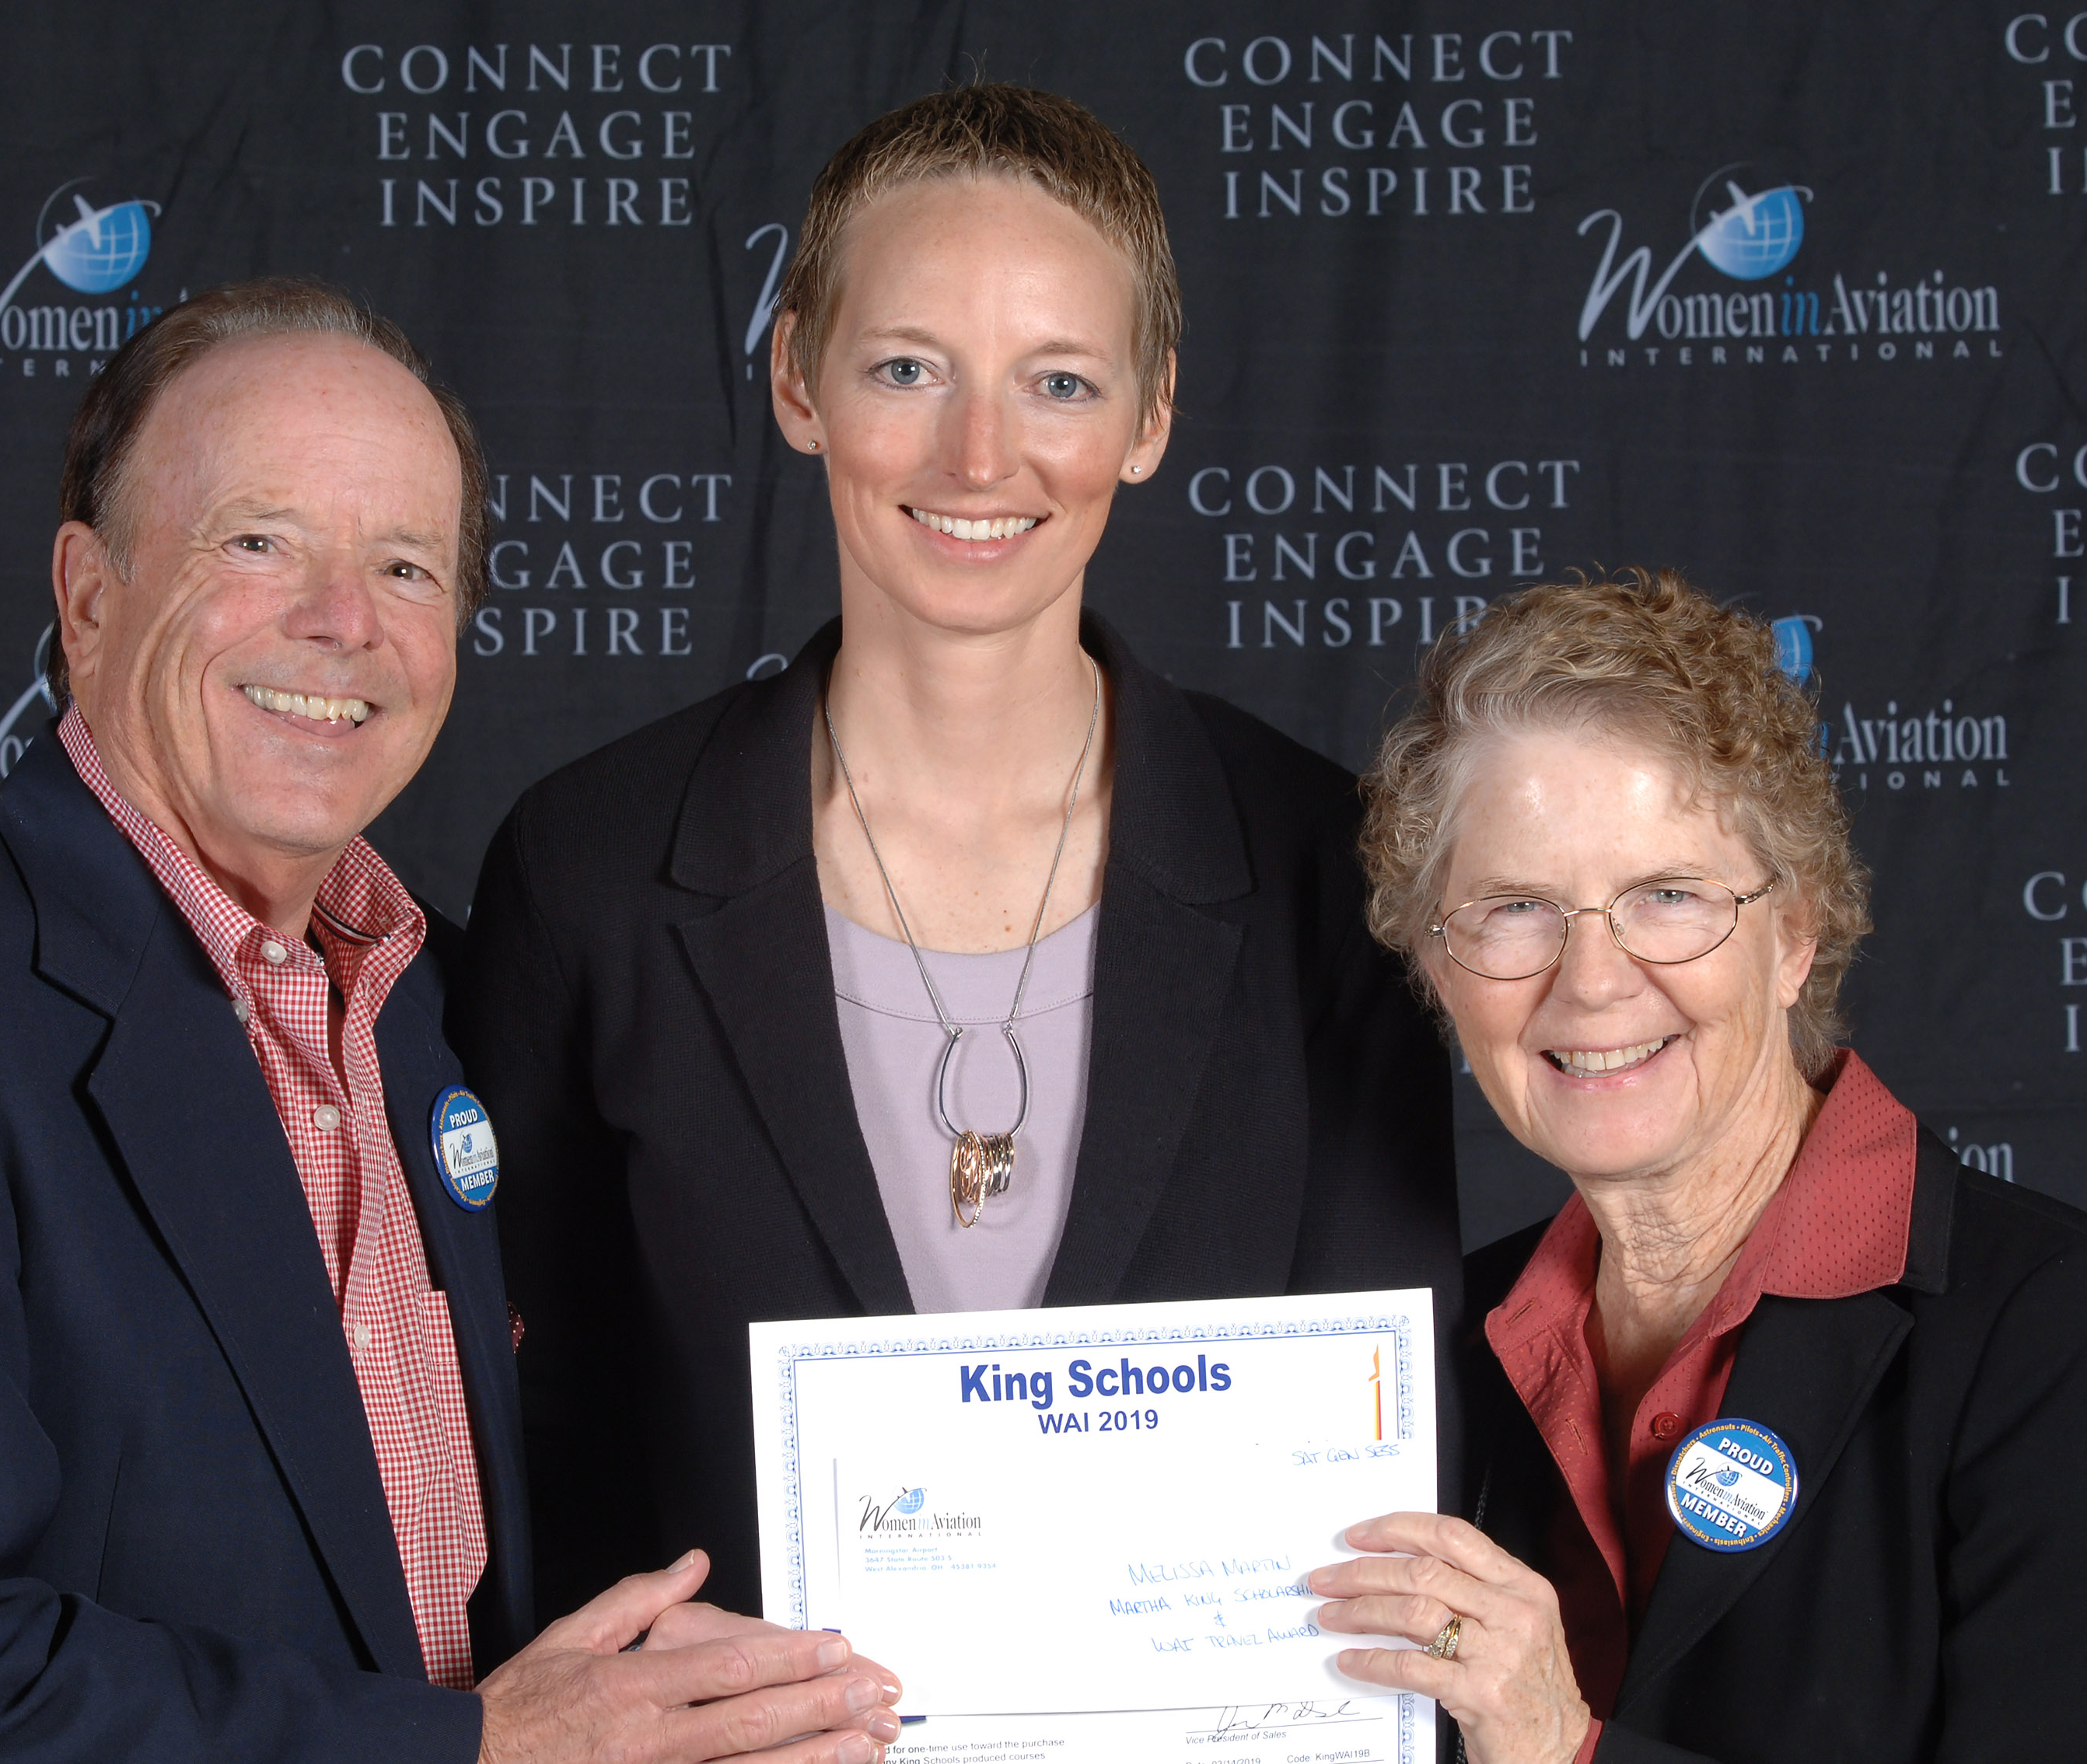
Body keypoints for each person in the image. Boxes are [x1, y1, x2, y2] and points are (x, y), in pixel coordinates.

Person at [0, 280, 900, 1764]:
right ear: (88, 595)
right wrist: (482, 1753)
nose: (343, 623)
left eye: (409, 568)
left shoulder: (443, 1011)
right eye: (258, 542)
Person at [449, 85, 1461, 1622]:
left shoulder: (1329, 867)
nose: (979, 454)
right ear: (796, 378)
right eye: (905, 367)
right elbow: (533, 1464)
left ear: (1150, 415)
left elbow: (1388, 1452)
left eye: (1057, 380)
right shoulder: (587, 874)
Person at [1309, 569, 2087, 1760]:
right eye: (1516, 908)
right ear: (1437, 963)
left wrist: (1569, 1748)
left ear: (1796, 933)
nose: (1593, 980)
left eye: (1668, 896)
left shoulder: (2055, 1329)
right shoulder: (1423, 1353)